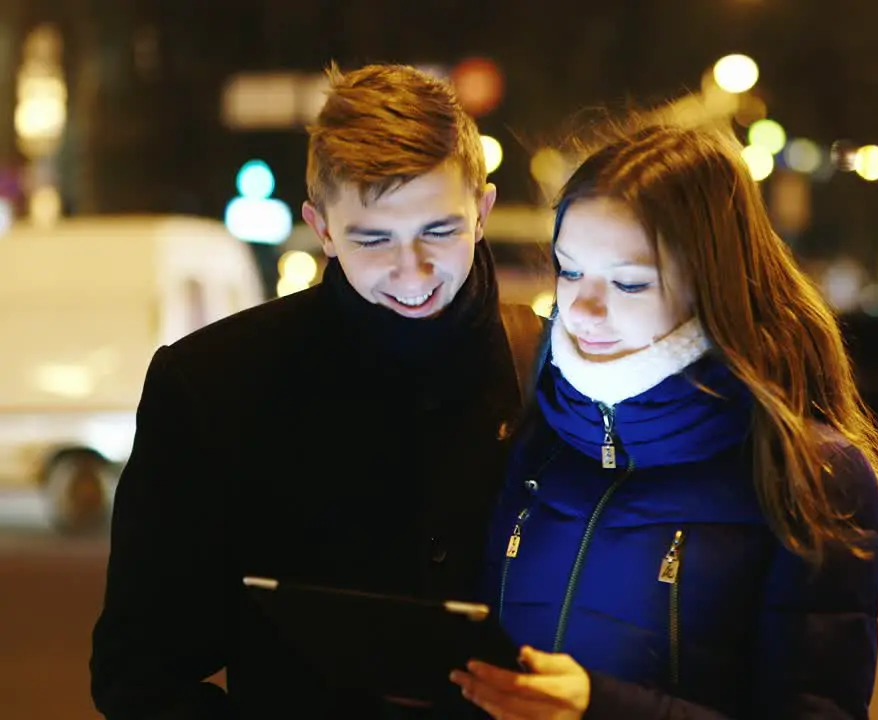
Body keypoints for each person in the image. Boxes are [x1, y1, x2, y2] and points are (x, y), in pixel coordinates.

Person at [90, 63, 542, 719]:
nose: (411, 270)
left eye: (437, 231)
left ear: (482, 212)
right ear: (323, 229)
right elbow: (138, 675)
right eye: (373, 239)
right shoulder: (214, 385)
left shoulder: (558, 376)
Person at [451, 123, 878, 719]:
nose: (583, 308)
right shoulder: (541, 436)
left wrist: (598, 709)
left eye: (629, 282)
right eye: (570, 270)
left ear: (711, 283)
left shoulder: (807, 472)